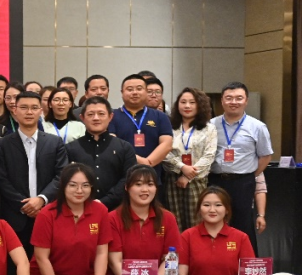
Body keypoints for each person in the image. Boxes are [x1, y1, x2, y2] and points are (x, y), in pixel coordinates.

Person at [0, 91, 68, 260]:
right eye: (24, 107)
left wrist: (41, 199)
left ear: (41, 111)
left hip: (48, 214)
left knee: (47, 265)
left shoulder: (54, 142)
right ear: (15, 111)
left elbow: (61, 175)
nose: (29, 112)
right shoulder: (1, 145)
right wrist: (24, 205)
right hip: (14, 217)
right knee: (15, 268)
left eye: (34, 108)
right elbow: (1, 179)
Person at [208, 81, 272, 253]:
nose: (233, 102)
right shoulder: (211, 125)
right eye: (229, 98)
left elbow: (266, 156)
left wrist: (250, 174)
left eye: (238, 98)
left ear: (246, 101)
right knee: (215, 222)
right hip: (215, 181)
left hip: (243, 182)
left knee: (243, 225)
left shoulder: (257, 127)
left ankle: (247, 265)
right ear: (222, 101)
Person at [106, 165, 181, 275]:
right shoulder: (112, 218)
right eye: (138, 184)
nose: (145, 189)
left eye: (150, 184)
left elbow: (171, 258)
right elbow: (115, 262)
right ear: (126, 187)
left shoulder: (168, 218)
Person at [163, 87, 217, 231]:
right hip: (172, 178)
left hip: (197, 180)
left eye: (192, 102)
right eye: (183, 102)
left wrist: (188, 176)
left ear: (200, 105)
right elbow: (164, 151)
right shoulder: (169, 126)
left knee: (196, 222)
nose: (187, 106)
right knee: (174, 223)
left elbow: (209, 155)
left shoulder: (209, 128)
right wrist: (182, 167)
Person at [67, 97, 136, 209]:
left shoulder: (124, 147)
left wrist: (105, 202)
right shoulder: (70, 148)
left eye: (101, 114)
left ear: (110, 117)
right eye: (90, 114)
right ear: (82, 118)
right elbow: (66, 180)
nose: (96, 118)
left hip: (117, 210)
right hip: (80, 209)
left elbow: (128, 178)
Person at [109, 75, 173, 190]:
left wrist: (148, 163)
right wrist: (143, 162)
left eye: (139, 89)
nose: (135, 92)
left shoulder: (160, 116)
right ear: (122, 92)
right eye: (130, 89)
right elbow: (113, 144)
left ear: (146, 92)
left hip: (152, 178)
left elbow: (167, 144)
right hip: (121, 178)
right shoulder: (112, 116)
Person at [179, 186, 255, 275]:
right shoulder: (187, 236)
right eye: (206, 205)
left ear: (227, 210)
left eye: (218, 205)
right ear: (199, 209)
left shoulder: (241, 237)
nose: (212, 210)